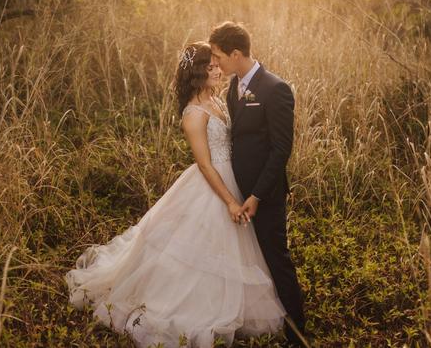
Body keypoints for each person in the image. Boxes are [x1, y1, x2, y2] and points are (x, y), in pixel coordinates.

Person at [66, 41, 286, 348]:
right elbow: (206, 165)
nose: (217, 70)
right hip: (212, 187)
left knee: (233, 251)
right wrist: (230, 202)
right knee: (196, 253)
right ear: (196, 73)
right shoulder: (193, 113)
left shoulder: (221, 101)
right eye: (209, 67)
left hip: (233, 179)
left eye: (216, 64)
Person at [209, 21, 307, 346]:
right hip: (239, 191)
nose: (216, 64)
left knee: (276, 256)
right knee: (250, 258)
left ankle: (297, 334)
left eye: (219, 56)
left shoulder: (275, 89)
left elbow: (282, 149)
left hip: (265, 195)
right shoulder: (233, 88)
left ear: (236, 54)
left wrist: (257, 195)